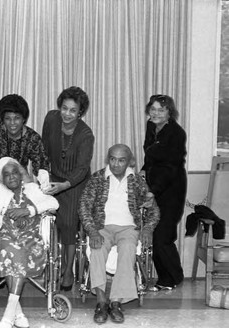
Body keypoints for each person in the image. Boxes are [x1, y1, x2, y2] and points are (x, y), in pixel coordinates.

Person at [79, 144, 160, 324]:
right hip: (102, 226)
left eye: (121, 160)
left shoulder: (137, 180)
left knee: (128, 249)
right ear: (108, 159)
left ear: (129, 161)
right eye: (113, 159)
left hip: (128, 228)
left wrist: (147, 229)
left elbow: (154, 210)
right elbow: (84, 207)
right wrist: (92, 231)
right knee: (97, 249)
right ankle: (101, 301)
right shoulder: (97, 178)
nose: (116, 164)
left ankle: (115, 302)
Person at [0, 157, 59, 328]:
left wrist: (29, 211)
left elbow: (53, 203)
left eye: (15, 172)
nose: (12, 177)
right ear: (1, 178)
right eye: (7, 175)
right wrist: (5, 211)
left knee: (14, 256)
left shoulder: (32, 189)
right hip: (5, 236)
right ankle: (16, 313)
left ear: (21, 174)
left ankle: (10, 314)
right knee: (12, 252)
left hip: (31, 238)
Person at [42, 86, 95, 291]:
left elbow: (82, 168)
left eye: (73, 110)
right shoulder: (51, 119)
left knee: (68, 224)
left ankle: (67, 271)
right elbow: (44, 148)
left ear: (80, 112)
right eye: (64, 108)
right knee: (45, 222)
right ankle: (48, 266)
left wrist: (65, 184)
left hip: (75, 183)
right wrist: (42, 174)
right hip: (53, 177)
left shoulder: (85, 135)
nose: (67, 114)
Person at [0, 94, 50, 231]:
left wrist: (42, 186)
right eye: (8, 119)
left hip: (16, 188)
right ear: (2, 119)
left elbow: (41, 165)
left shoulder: (32, 138)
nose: (12, 123)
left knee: (14, 228)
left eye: (17, 118)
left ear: (24, 119)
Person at [140, 94, 187, 291]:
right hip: (154, 185)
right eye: (153, 109)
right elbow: (150, 155)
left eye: (161, 110)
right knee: (154, 234)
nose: (156, 113)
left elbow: (169, 167)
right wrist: (143, 171)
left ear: (169, 113)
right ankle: (165, 278)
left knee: (163, 236)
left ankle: (173, 276)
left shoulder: (176, 133)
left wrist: (154, 192)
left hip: (171, 188)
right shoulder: (151, 127)